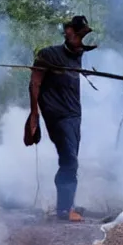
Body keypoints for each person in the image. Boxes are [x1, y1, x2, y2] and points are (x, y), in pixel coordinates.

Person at [24, 15, 98, 222]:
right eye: (80, 34)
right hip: (57, 116)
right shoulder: (48, 55)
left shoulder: (77, 56)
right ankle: (65, 210)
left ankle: (67, 205)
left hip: (75, 116)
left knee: (70, 160)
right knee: (69, 162)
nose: (83, 40)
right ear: (69, 33)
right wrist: (34, 114)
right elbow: (34, 83)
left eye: (85, 35)